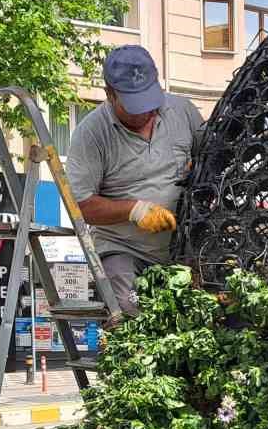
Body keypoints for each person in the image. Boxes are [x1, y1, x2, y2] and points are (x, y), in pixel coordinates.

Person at [66, 45, 205, 317]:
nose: (147, 113)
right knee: (132, 311)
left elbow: (211, 157)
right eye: (135, 106)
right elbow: (79, 205)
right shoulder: (91, 134)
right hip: (124, 249)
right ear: (110, 94)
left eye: (150, 101)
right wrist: (134, 210)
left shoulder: (182, 111)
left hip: (183, 248)